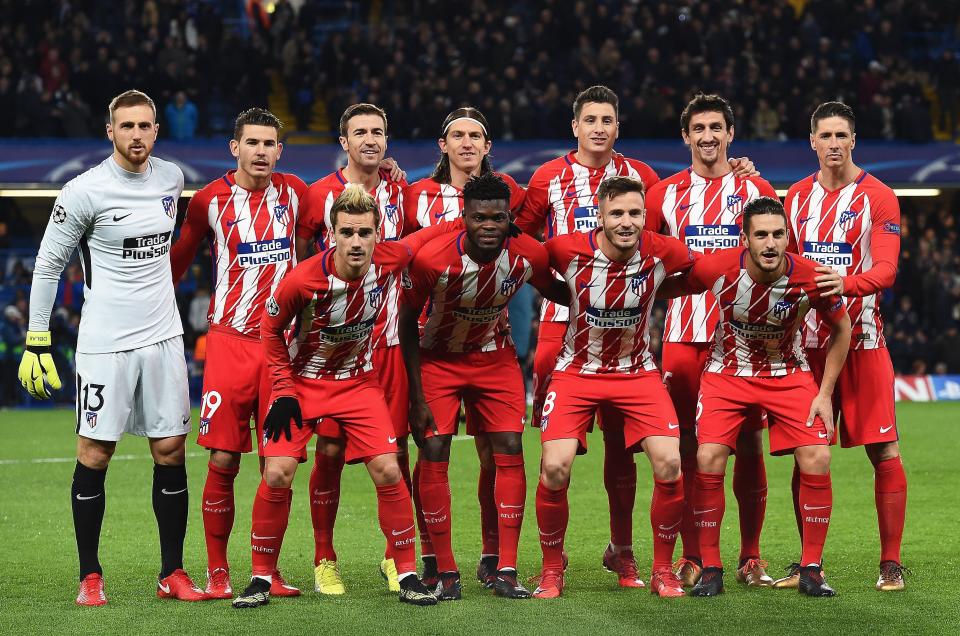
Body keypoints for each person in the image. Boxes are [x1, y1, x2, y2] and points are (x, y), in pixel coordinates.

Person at [516, 85, 756, 588]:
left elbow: (682, 249)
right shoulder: (547, 180)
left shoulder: (647, 180)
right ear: (575, 126)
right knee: (551, 459)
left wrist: (740, 176)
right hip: (568, 335)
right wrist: (564, 295)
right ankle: (545, 563)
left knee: (628, 450)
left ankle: (625, 551)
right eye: (591, 119)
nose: (599, 128)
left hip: (631, 339)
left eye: (608, 119)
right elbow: (519, 240)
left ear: (618, 127)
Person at [19, 89, 207, 605]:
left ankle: (172, 572)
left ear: (156, 130)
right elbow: (48, 264)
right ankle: (90, 575)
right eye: (127, 126)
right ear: (110, 131)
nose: (137, 135)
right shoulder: (84, 191)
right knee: (95, 454)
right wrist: (38, 338)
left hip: (164, 336)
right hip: (105, 343)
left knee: (171, 451)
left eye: (145, 125)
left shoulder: (171, 178)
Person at [232, 186, 448, 608]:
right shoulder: (302, 279)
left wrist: (472, 221)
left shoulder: (390, 259)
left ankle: (406, 574)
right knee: (276, 474)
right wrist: (283, 389)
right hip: (303, 383)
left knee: (389, 469)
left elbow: (425, 236)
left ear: (377, 234)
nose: (356, 241)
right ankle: (260, 577)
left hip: (357, 384)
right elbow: (269, 329)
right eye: (346, 232)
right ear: (332, 233)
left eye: (364, 233)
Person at [661, 196, 852, 598]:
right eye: (761, 234)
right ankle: (711, 568)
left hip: (788, 373)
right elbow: (667, 288)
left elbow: (843, 328)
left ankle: (812, 569)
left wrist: (824, 393)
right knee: (708, 457)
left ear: (788, 237)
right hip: (727, 373)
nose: (770, 243)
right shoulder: (718, 267)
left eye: (778, 234)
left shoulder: (812, 276)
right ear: (745, 238)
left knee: (818, 457)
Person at [399, 173, 568, 600]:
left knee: (509, 448)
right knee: (434, 449)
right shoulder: (432, 259)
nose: (489, 226)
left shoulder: (527, 254)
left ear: (510, 218)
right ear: (465, 218)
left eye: (498, 217)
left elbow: (560, 291)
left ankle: (505, 568)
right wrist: (416, 397)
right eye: (480, 218)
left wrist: (610, 291)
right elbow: (405, 323)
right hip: (437, 357)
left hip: (495, 357)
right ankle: (444, 570)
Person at [533, 176, 692, 600]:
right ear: (599, 215)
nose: (626, 222)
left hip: (636, 372)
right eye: (617, 213)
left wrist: (661, 289)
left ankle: (662, 570)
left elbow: (701, 272)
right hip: (576, 371)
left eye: (634, 213)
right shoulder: (566, 249)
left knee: (670, 465)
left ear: (645, 216)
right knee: (555, 467)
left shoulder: (663, 251)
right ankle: (552, 569)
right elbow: (530, 265)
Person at [169, 107, 307, 599]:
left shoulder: (295, 192)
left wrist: (387, 171)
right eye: (252, 142)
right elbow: (176, 264)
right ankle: (218, 571)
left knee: (281, 466)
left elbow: (340, 213)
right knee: (224, 459)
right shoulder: (209, 200)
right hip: (228, 344)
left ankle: (265, 570)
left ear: (279, 151)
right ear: (235, 148)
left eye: (270, 143)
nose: (261, 151)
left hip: (281, 350)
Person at [644, 93, 778, 588]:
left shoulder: (755, 187)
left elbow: (780, 256)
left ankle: (751, 555)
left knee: (748, 443)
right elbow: (640, 253)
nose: (707, 137)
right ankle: (694, 555)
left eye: (716, 127)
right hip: (682, 334)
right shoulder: (663, 194)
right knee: (685, 447)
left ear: (730, 133)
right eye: (698, 128)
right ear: (685, 136)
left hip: (745, 338)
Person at [782, 101, 908, 591]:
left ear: (853, 141)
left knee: (884, 450)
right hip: (805, 347)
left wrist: (844, 284)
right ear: (812, 141)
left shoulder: (878, 197)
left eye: (842, 136)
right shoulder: (793, 197)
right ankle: (809, 562)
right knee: (806, 451)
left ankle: (890, 562)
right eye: (825, 136)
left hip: (864, 341)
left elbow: (887, 269)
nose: (834, 144)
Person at [401, 106, 528, 586]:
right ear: (443, 145)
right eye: (458, 135)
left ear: (488, 145)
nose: (468, 143)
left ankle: (496, 557)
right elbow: (395, 251)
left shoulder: (511, 193)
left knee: (497, 451)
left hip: (492, 345)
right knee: (429, 448)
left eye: (476, 135)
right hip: (433, 349)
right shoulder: (415, 195)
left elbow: (536, 241)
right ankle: (434, 556)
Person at [295, 103, 415, 594]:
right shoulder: (318, 194)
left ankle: (395, 558)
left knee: (395, 452)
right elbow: (303, 259)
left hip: (388, 341)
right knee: (328, 448)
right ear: (343, 142)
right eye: (360, 132)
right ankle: (325, 557)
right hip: (335, 348)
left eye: (378, 132)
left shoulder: (401, 190)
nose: (370, 139)